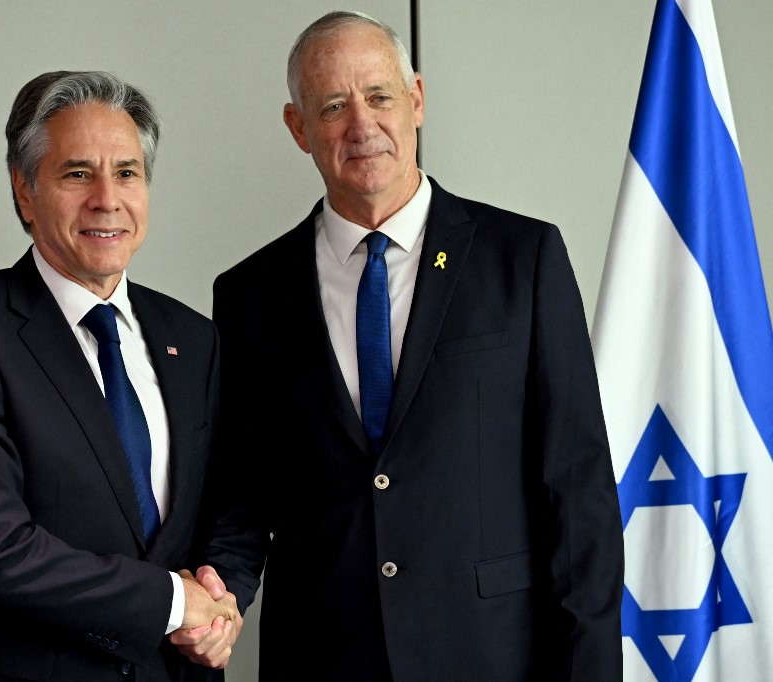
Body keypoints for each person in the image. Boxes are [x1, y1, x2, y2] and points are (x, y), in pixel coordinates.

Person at [190, 10, 624, 681]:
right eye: (333, 105)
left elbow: (579, 495)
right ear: (299, 128)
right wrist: (219, 597)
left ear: (416, 100)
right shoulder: (249, 294)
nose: (361, 125)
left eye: (380, 96)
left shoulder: (522, 259)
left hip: (494, 656)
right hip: (324, 659)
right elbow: (243, 497)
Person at [0, 70, 239, 681]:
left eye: (127, 172)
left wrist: (219, 606)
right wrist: (173, 602)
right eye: (78, 173)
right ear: (25, 191)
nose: (107, 198)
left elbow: (228, 508)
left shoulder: (193, 336)